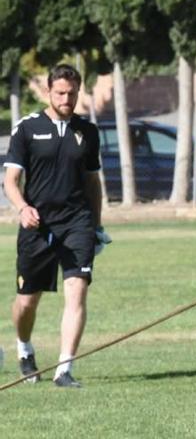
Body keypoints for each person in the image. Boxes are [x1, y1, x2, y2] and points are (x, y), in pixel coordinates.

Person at [3, 64, 104, 388]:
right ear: (48, 91)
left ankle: (64, 369)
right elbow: (11, 181)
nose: (67, 98)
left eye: (72, 93)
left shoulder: (87, 132)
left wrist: (96, 225)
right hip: (37, 224)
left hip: (77, 222)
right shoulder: (27, 128)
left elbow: (93, 183)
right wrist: (22, 208)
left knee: (77, 291)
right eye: (60, 93)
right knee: (27, 300)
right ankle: (24, 347)